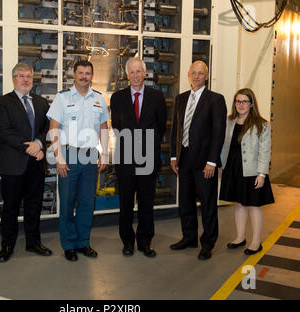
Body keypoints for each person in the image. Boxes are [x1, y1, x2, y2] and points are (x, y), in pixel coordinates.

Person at [47, 60, 109, 262]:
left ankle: (83, 242)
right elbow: (53, 128)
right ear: (74, 75)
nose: (84, 76)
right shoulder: (62, 98)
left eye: (88, 73)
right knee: (66, 203)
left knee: (86, 203)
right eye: (80, 72)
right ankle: (69, 244)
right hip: (69, 156)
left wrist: (105, 154)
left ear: (92, 75)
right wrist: (59, 158)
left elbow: (104, 128)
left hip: (90, 155)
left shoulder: (98, 99)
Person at [0, 63, 52, 263]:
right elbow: (4, 131)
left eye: (29, 76)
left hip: (35, 164)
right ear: (13, 79)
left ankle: (33, 242)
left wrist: (39, 143)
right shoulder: (3, 102)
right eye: (21, 76)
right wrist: (29, 147)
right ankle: (7, 245)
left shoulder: (41, 102)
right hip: (13, 163)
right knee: (10, 207)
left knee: (33, 205)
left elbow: (48, 128)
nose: (26, 79)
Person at [170, 60, 227, 260]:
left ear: (206, 75)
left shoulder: (215, 99)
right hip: (184, 160)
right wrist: (174, 156)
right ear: (188, 74)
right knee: (185, 203)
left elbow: (219, 132)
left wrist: (212, 162)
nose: (196, 76)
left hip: (205, 164)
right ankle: (189, 237)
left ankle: (208, 243)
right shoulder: (181, 98)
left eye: (200, 73)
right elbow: (177, 129)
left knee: (208, 204)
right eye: (193, 72)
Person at [110, 57, 167, 257]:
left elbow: (160, 126)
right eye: (132, 72)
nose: (135, 75)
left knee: (146, 203)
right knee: (125, 203)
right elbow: (116, 127)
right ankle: (127, 241)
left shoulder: (157, 96)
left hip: (148, 158)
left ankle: (145, 242)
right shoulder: (117, 98)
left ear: (145, 74)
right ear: (127, 75)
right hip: (125, 159)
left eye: (138, 71)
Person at [220, 88, 274, 255]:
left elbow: (265, 151)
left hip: (252, 171)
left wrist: (261, 174)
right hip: (233, 169)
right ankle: (240, 237)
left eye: (244, 101)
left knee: (254, 206)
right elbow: (224, 146)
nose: (240, 105)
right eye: (238, 101)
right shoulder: (229, 122)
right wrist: (222, 166)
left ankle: (256, 242)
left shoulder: (261, 124)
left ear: (251, 104)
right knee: (238, 204)